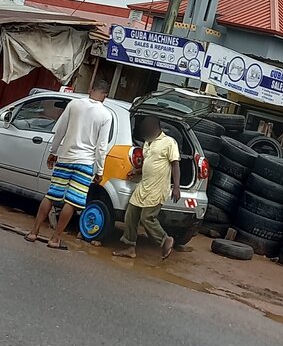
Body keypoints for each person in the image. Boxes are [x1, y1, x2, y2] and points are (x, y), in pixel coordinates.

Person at [25, 79, 112, 249]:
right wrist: (100, 170)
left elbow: (60, 130)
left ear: (90, 89)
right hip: (85, 163)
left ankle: (34, 232)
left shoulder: (74, 104)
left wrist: (53, 152)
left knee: (51, 195)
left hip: (65, 158)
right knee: (71, 202)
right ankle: (55, 239)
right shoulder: (105, 115)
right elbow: (101, 147)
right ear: (105, 96)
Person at [113, 115, 180, 261]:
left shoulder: (169, 142)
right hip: (144, 185)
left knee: (147, 217)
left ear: (155, 127)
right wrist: (137, 172)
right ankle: (129, 247)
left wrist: (176, 187)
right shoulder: (147, 143)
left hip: (157, 188)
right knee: (131, 214)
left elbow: (175, 165)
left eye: (147, 127)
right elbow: (149, 164)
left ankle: (165, 240)